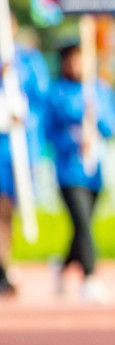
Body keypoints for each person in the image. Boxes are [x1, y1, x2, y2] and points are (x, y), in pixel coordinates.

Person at [44, 40, 115, 304]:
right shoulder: (57, 93)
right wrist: (73, 138)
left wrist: (95, 116)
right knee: (83, 223)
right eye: (72, 59)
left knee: (83, 226)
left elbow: (112, 126)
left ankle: (63, 266)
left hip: (94, 170)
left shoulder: (100, 90)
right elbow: (48, 133)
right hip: (69, 171)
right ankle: (90, 277)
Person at [0, 18, 50, 299]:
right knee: (1, 210)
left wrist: (15, 76)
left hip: (20, 150)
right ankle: (5, 267)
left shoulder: (29, 59)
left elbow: (41, 96)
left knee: (11, 211)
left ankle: (5, 264)